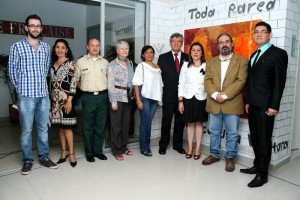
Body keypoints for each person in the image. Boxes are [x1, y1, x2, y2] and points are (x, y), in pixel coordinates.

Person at [8, 14, 58, 175]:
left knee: (43, 129)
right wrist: (21, 89)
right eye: (32, 25)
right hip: (26, 96)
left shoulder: (45, 47)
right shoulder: (16, 47)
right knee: (26, 130)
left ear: (41, 29)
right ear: (26, 27)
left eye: (38, 26)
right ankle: (28, 160)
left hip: (43, 95)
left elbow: (45, 70)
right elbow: (12, 71)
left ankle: (44, 157)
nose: (35, 28)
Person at [241, 21, 288, 188]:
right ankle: (257, 165)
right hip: (253, 104)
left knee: (264, 139)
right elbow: (251, 81)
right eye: (257, 32)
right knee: (255, 137)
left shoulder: (278, 54)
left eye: (263, 31)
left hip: (266, 106)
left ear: (270, 35)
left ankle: (263, 174)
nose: (259, 34)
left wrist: (274, 106)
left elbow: (279, 83)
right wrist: (247, 101)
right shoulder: (254, 54)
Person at [202, 33, 248, 172]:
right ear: (218, 46)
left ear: (231, 44)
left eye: (227, 41)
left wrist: (226, 95)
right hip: (214, 102)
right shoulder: (211, 62)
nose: (224, 44)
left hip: (232, 102)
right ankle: (215, 154)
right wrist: (216, 94)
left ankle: (230, 157)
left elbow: (241, 81)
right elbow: (207, 81)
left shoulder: (242, 61)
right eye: (221, 42)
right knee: (214, 131)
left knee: (232, 133)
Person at [75, 38, 109, 162]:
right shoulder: (80, 62)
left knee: (100, 126)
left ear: (99, 47)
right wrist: (85, 88)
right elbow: (76, 80)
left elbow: (108, 79)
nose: (95, 48)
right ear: (87, 47)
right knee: (88, 127)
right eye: (92, 45)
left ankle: (98, 151)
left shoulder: (105, 63)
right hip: (88, 97)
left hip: (102, 97)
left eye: (97, 45)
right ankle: (89, 152)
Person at [158, 32, 189, 155]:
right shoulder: (162, 57)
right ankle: (163, 145)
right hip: (168, 95)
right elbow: (159, 78)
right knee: (166, 120)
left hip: (183, 96)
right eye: (173, 41)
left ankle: (177, 145)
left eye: (178, 41)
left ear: (182, 43)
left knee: (180, 122)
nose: (176, 44)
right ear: (170, 43)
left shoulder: (188, 57)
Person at [49, 39, 77, 167]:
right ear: (55, 49)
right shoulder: (52, 64)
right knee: (60, 128)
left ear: (66, 49)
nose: (60, 50)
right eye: (57, 47)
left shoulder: (70, 64)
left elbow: (73, 84)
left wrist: (69, 101)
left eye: (63, 47)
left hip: (66, 101)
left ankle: (72, 154)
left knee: (67, 128)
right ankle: (63, 153)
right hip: (55, 102)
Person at [178, 42, 208, 160]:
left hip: (202, 97)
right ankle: (190, 147)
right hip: (188, 97)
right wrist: (180, 100)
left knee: (199, 123)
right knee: (190, 123)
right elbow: (181, 83)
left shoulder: (207, 65)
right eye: (193, 50)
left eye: (198, 50)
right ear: (190, 52)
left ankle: (198, 147)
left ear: (202, 53)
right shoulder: (185, 65)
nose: (195, 52)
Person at [132, 45, 163, 157]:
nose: (149, 54)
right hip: (144, 97)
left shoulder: (157, 67)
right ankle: (144, 148)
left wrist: (160, 99)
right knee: (145, 122)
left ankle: (146, 146)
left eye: (151, 52)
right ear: (143, 55)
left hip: (154, 99)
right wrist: (138, 100)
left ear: (154, 54)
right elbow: (136, 83)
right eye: (146, 53)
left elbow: (159, 84)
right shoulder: (141, 66)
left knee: (148, 122)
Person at [108, 40, 134, 161]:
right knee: (116, 125)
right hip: (117, 97)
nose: (124, 50)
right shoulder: (112, 65)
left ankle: (124, 147)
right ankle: (116, 150)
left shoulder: (130, 63)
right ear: (117, 51)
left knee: (125, 124)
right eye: (122, 48)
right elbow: (110, 84)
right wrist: (113, 102)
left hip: (128, 97)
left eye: (126, 49)